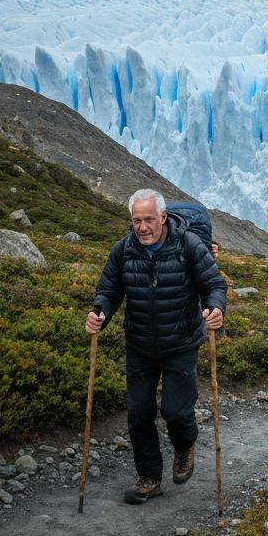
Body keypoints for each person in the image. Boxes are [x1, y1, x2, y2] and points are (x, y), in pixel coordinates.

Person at [86, 189, 226, 505]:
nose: (143, 227)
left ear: (163, 218)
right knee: (139, 414)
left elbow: (213, 284)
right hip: (140, 344)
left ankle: (184, 445)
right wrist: (100, 312)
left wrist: (216, 308)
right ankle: (149, 477)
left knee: (176, 412)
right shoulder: (124, 250)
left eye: (149, 219)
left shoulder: (188, 246)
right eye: (137, 220)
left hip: (181, 342)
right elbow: (109, 288)